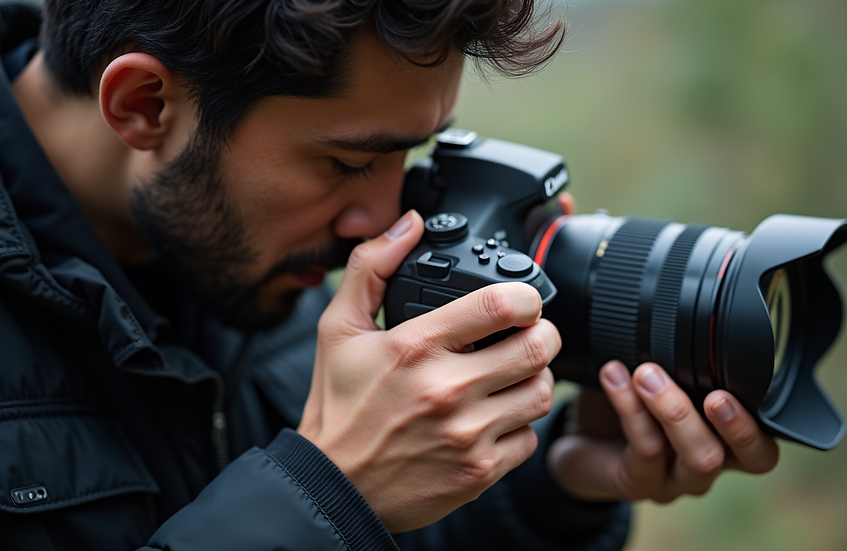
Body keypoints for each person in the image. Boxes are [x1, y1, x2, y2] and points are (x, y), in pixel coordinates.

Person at [0, 1, 779, 549]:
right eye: (346, 161)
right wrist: (322, 495)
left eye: (412, 155)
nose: (378, 223)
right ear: (144, 105)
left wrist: (553, 491)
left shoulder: (266, 267)